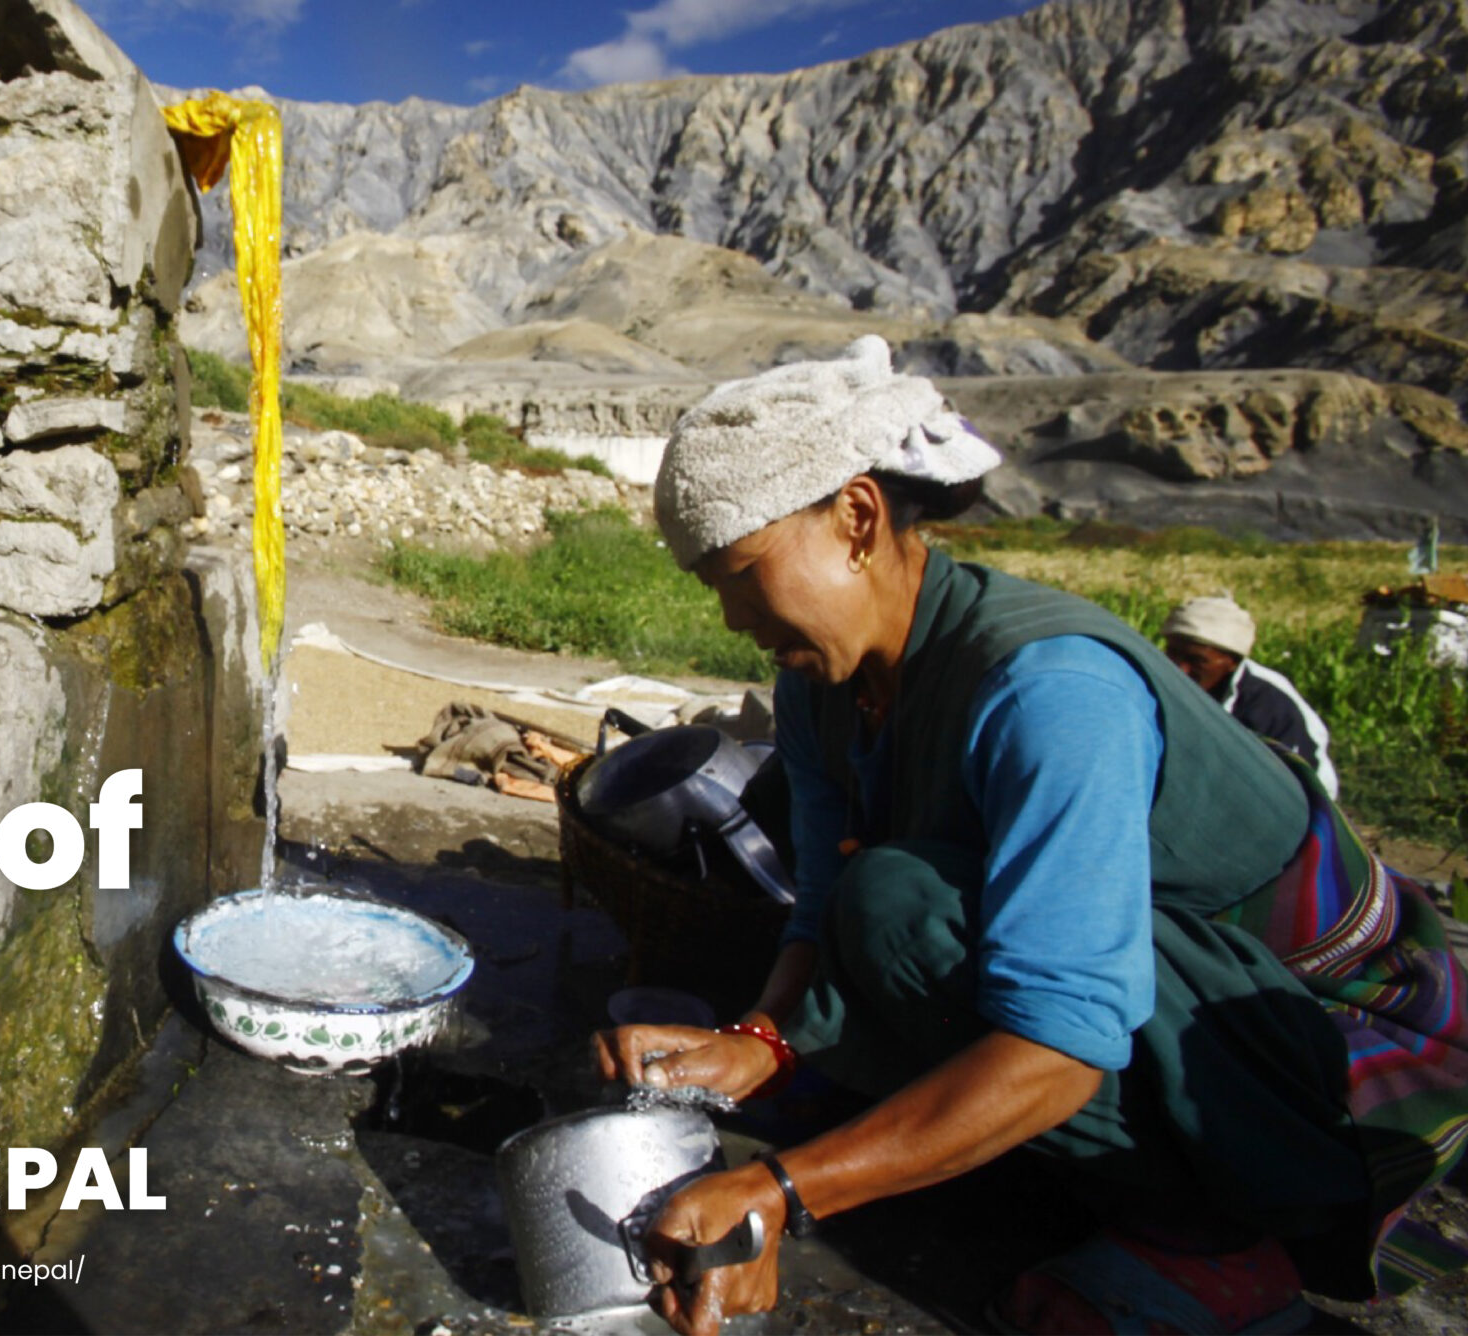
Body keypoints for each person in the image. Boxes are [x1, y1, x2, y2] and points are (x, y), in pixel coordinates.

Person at [595, 337, 1468, 1336]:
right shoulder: (821, 688)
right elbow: (824, 916)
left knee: (905, 906)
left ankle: (1217, 1237)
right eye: (712, 584)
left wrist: (783, 1192)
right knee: (873, 896)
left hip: (1329, 1061)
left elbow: (1058, 1043)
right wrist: (761, 1043)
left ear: (856, 519)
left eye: (743, 572)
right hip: (1181, 1012)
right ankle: (1078, 1163)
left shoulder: (1049, 693)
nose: (732, 615)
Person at [1161, 594, 1339, 798]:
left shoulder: (1268, 705)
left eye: (1198, 661)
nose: (1180, 669)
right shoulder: (1172, 682)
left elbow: (1287, 787)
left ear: (1232, 662)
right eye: (1172, 653)